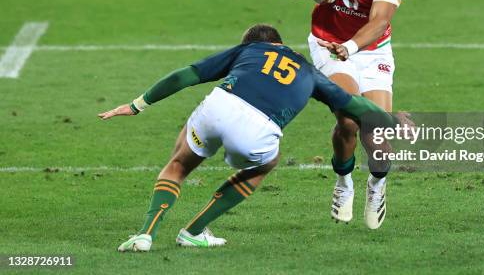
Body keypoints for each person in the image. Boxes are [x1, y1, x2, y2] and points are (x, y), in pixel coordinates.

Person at [98, 24, 401, 252]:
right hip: (257, 131)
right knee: (267, 163)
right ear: (278, 44)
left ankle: (145, 234)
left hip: (219, 107)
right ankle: (193, 231)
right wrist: (392, 120)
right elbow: (354, 105)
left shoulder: (248, 50)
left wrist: (137, 105)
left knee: (178, 164)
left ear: (253, 44)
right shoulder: (308, 71)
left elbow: (187, 75)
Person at [281, 0, 408, 229]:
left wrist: (351, 47)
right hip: (327, 44)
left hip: (370, 48)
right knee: (349, 119)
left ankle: (377, 185)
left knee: (377, 135)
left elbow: (380, 21)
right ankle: (343, 181)